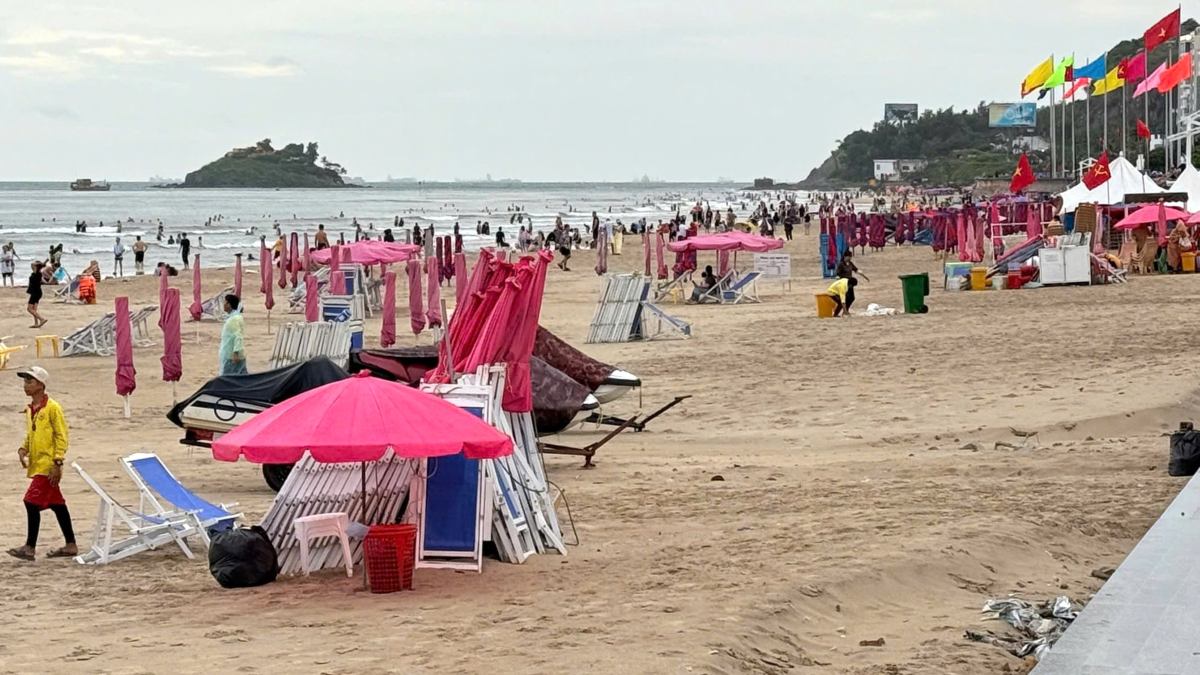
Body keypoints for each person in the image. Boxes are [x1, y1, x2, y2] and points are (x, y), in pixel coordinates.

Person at [7, 366, 75, 561]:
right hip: (38, 464)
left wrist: (58, 461)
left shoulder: (53, 407)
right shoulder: (30, 409)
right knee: (57, 504)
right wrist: (23, 449)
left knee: (30, 501)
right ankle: (71, 544)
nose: (25, 386)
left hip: (48, 465)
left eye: (30, 382)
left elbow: (62, 436)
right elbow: (32, 434)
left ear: (41, 385)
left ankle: (29, 547)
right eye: (25, 382)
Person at [219, 294, 247, 375]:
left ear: (229, 305)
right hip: (229, 353)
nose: (224, 305)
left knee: (229, 379)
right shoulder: (233, 317)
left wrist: (236, 353)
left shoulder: (234, 319)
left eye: (225, 303)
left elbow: (238, 336)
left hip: (231, 356)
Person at [27, 262, 46, 328]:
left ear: (36, 267)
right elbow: (33, 265)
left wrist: (40, 264)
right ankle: (36, 323)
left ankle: (42, 319)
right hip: (38, 292)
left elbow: (32, 264)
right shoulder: (38, 273)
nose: (31, 266)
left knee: (29, 309)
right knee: (34, 309)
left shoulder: (37, 273)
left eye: (33, 266)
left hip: (35, 292)